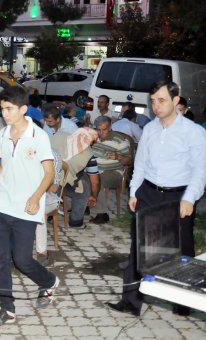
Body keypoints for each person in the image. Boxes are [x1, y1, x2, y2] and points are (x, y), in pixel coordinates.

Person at [106, 81, 206, 317]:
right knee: (139, 246)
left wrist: (190, 198)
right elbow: (139, 165)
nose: (156, 106)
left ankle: (182, 303)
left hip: (178, 197)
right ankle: (131, 301)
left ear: (175, 101)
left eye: (161, 100)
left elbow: (201, 171)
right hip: (148, 193)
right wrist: (133, 192)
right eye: (153, 101)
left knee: (182, 249)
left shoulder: (194, 132)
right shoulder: (150, 129)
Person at [0, 86, 58, 328]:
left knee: (23, 260)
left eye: (9, 109)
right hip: (3, 204)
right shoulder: (2, 134)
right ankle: (7, 308)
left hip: (27, 207)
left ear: (23, 109)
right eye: (2, 108)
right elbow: (3, 166)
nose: (4, 113)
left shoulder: (39, 137)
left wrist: (37, 197)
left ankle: (48, 282)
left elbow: (49, 173)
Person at [89, 116, 133, 224]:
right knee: (79, 178)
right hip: (95, 169)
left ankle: (102, 214)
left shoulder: (119, 140)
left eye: (104, 130)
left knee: (97, 180)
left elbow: (129, 161)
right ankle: (81, 208)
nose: (101, 133)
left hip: (114, 172)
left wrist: (118, 157)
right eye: (98, 129)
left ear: (110, 128)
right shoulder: (93, 137)